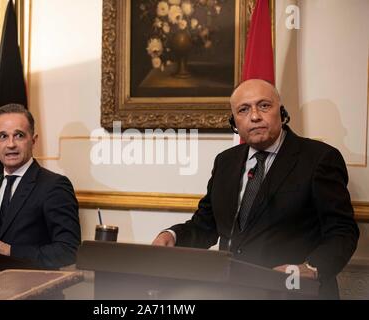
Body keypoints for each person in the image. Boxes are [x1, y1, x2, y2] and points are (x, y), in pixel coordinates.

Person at [152, 79, 359, 299]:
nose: (254, 116)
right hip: (234, 292)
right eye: (244, 109)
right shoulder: (226, 162)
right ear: (234, 122)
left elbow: (343, 231)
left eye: (264, 106)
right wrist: (172, 236)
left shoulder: (319, 159)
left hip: (293, 293)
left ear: (282, 112)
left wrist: (312, 267)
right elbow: (206, 225)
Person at [0, 104, 80, 269]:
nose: (11, 144)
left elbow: (69, 250)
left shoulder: (54, 186)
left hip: (35, 291)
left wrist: (12, 251)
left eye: (19, 135)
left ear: (33, 141)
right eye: (3, 136)